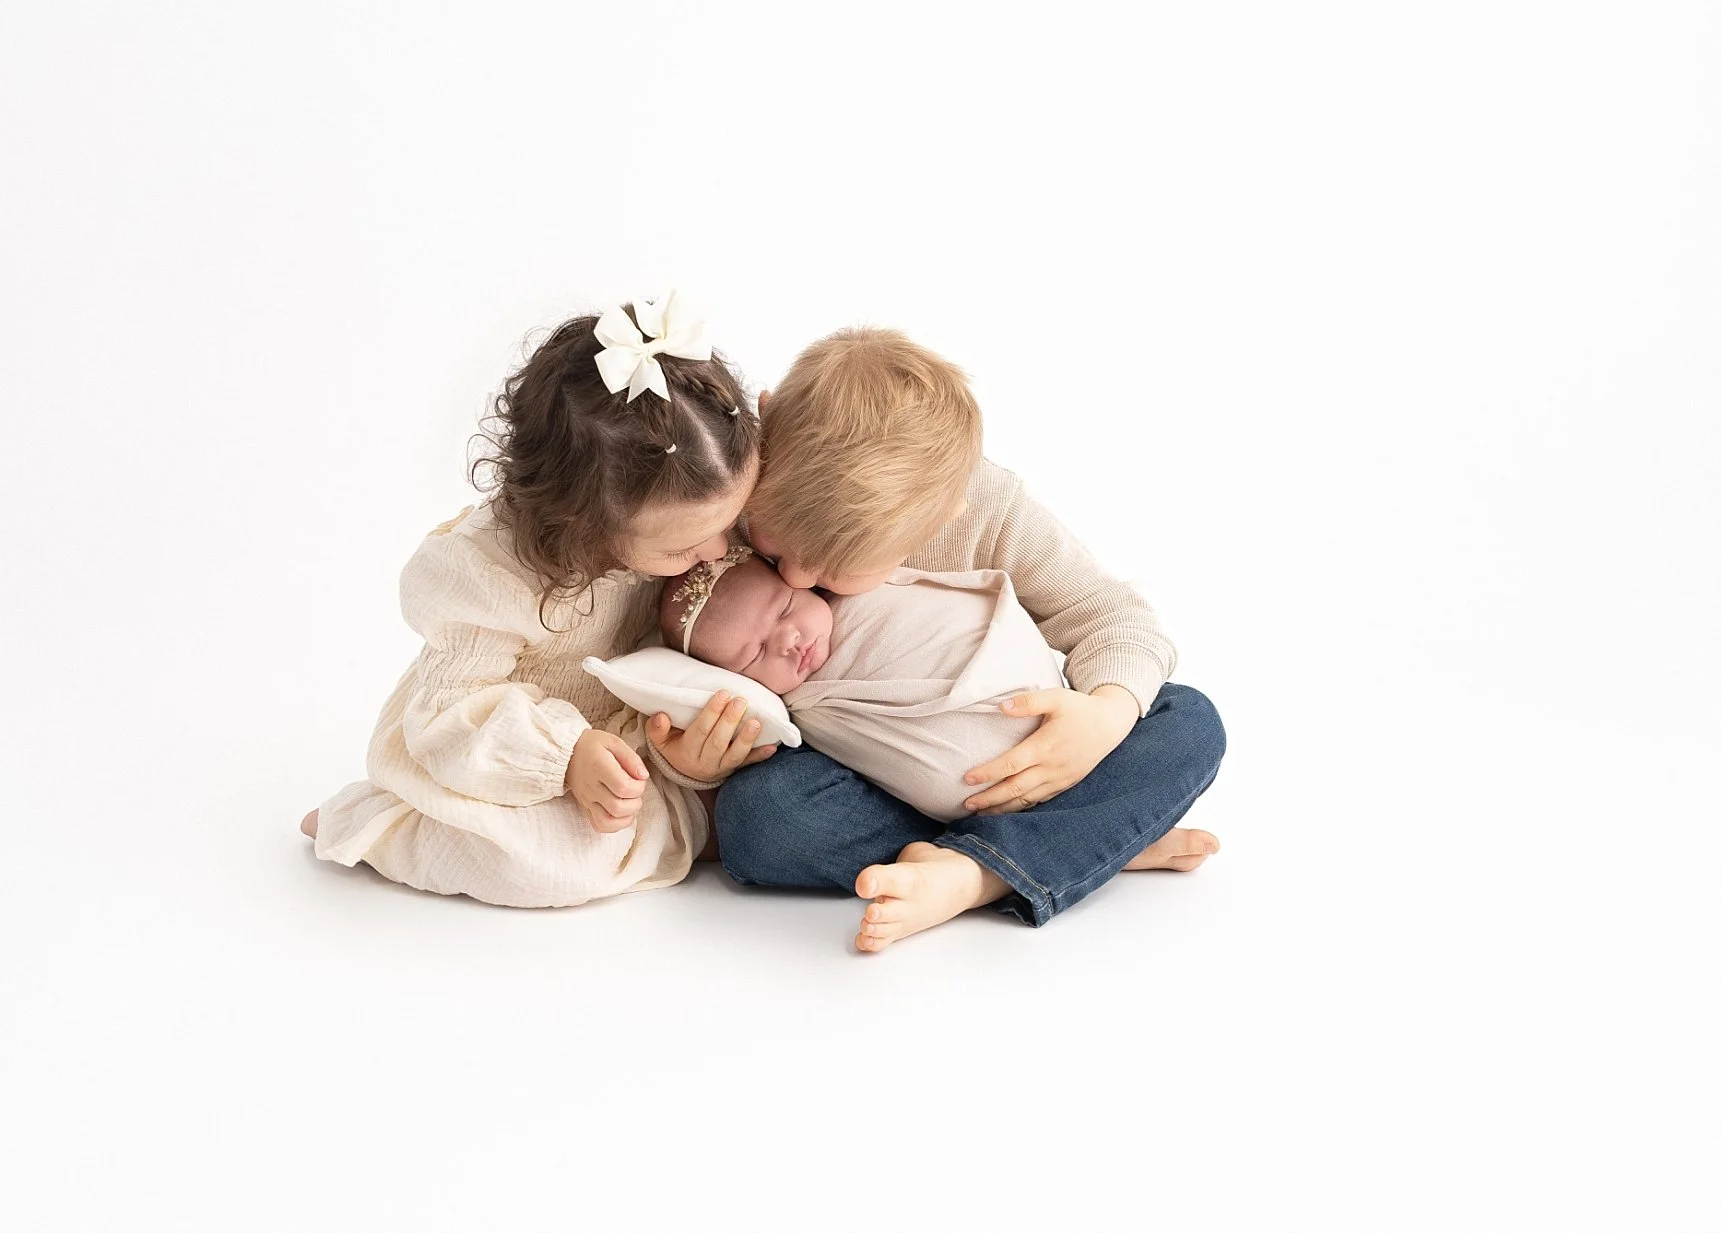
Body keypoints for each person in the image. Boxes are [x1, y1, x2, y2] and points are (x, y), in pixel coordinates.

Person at [718, 327, 1228, 951]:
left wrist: (1104, 715)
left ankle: (976, 872)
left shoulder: (983, 505)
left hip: (1017, 746)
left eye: (834, 568)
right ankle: (1072, 846)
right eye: (777, 543)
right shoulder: (722, 499)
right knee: (760, 818)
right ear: (764, 431)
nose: (795, 577)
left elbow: (1110, 614)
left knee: (1189, 719)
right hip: (877, 773)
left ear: (941, 517)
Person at [299, 293, 775, 907]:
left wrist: (684, 759)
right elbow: (447, 713)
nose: (716, 553)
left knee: (642, 807)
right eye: (682, 550)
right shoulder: (488, 576)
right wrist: (566, 755)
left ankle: (674, 811)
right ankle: (380, 826)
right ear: (583, 527)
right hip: (500, 748)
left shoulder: (685, 520)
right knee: (551, 865)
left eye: (728, 522)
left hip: (623, 740)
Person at [661, 547, 1067, 822]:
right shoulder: (780, 712)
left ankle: (990, 864)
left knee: (1129, 754)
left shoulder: (861, 586)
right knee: (763, 816)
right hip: (965, 803)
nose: (788, 641)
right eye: (755, 654)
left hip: (1058, 714)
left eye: (785, 608)